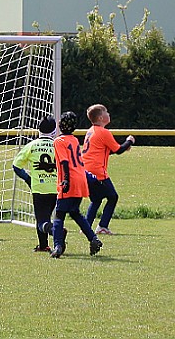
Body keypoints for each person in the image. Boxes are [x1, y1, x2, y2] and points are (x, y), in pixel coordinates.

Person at [51, 111, 103, 258]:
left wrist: (65, 179)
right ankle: (93, 239)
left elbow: (65, 162)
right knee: (75, 213)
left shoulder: (58, 141)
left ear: (60, 125)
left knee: (59, 215)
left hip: (70, 180)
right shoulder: (73, 140)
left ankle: (58, 246)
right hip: (81, 179)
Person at [13, 116, 67, 253]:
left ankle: (55, 232)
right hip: (55, 188)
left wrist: (28, 179)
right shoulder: (58, 145)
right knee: (46, 216)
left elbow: (16, 166)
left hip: (38, 188)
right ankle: (44, 245)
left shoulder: (32, 145)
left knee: (41, 220)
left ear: (38, 130)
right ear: (55, 131)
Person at [82, 104, 135, 235]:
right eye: (106, 112)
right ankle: (102, 226)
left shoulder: (91, 131)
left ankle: (86, 226)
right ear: (100, 118)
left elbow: (103, 151)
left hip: (86, 170)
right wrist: (129, 141)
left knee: (96, 200)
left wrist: (122, 147)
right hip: (97, 171)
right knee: (113, 197)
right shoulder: (104, 132)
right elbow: (118, 150)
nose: (109, 114)